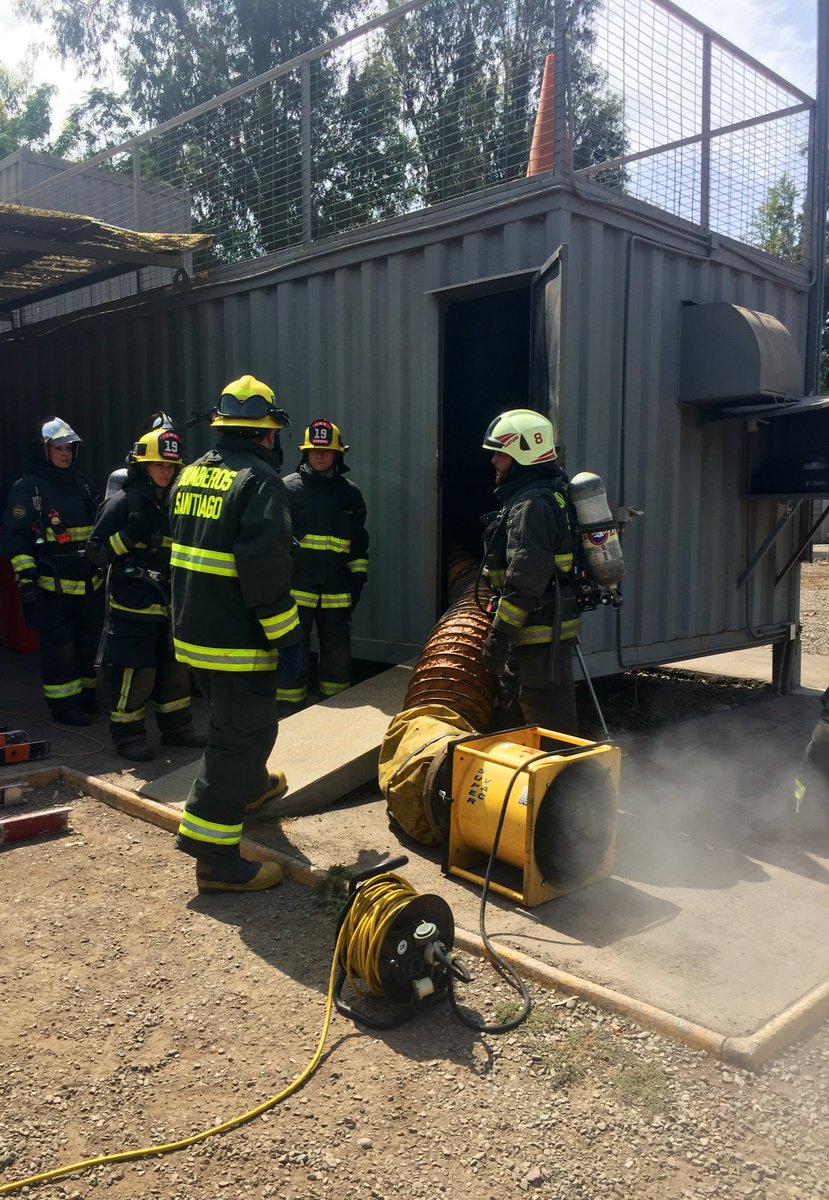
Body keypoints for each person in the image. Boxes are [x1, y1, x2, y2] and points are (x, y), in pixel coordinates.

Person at [168, 374, 303, 894]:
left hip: (195, 634)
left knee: (250, 724)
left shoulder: (194, 473)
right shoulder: (261, 482)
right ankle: (215, 859)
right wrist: (288, 637)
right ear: (269, 433)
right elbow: (265, 570)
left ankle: (250, 790)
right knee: (235, 739)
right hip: (238, 640)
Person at [86, 424, 206, 761]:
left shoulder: (176, 503)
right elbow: (95, 554)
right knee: (136, 673)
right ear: (142, 466)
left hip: (169, 604)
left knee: (175, 671)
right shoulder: (123, 502)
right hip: (132, 605)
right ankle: (128, 738)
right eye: (159, 465)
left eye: (170, 466)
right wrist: (127, 535)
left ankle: (178, 729)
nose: (165, 472)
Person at [479, 408, 580, 734]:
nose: (494, 461)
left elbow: (524, 580)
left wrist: (498, 637)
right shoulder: (541, 496)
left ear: (522, 456)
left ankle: (569, 786)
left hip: (539, 634)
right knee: (516, 717)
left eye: (500, 454)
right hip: (538, 633)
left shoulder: (531, 506)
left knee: (547, 727)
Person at [2, 418, 104, 726]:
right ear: (43, 450)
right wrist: (27, 579)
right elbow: (15, 537)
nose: (66, 454)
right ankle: (64, 706)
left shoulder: (82, 483)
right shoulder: (28, 488)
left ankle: (86, 696)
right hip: (52, 583)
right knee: (61, 648)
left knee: (87, 643)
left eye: (70, 448)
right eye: (58, 448)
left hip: (88, 581)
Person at [279, 418, 369, 710]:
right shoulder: (287, 490)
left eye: (326, 451)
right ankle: (289, 705)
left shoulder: (349, 493)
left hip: (336, 588)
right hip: (296, 587)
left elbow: (358, 542)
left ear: (337, 455)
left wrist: (358, 580)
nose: (319, 455)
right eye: (313, 450)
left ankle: (335, 701)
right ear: (305, 452)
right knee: (293, 646)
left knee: (337, 650)